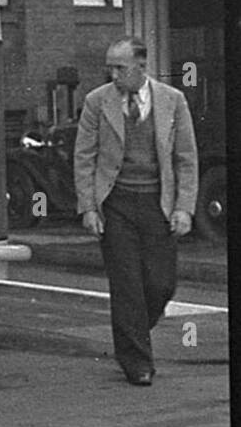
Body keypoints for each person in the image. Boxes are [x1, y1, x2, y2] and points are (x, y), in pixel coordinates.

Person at [73, 35, 198, 386]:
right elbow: (84, 158)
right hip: (116, 204)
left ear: (141, 66)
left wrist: (184, 208)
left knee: (160, 285)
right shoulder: (97, 102)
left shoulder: (173, 100)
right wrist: (89, 208)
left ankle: (133, 331)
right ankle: (137, 363)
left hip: (158, 204)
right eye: (109, 67)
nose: (113, 75)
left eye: (120, 67)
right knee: (127, 285)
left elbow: (186, 159)